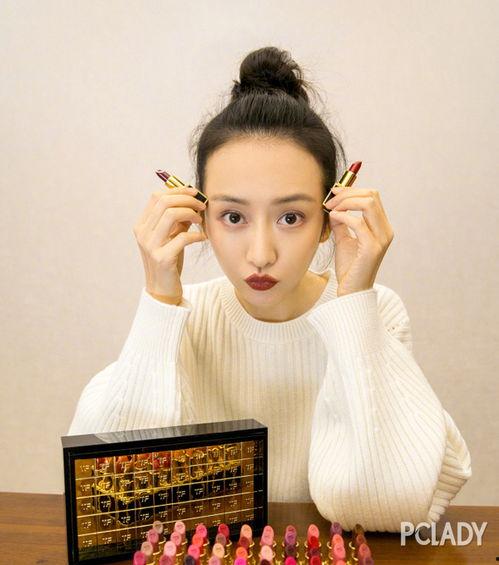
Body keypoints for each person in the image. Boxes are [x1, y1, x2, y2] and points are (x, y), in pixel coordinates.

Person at [68, 46, 471, 532]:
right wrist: (159, 300)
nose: (260, 254)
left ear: (328, 221)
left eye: (291, 217)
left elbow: (392, 508)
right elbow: (107, 499)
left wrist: (354, 302)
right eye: (233, 216)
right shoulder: (184, 317)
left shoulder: (374, 311)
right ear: (200, 217)